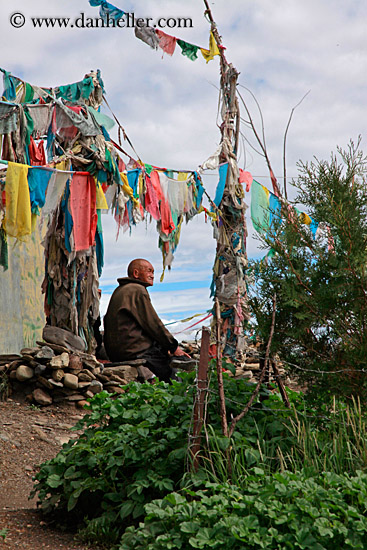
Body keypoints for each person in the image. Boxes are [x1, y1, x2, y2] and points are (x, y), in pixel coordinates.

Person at [103, 258, 190, 382]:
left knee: (162, 352)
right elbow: (153, 324)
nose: (152, 276)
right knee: (173, 369)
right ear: (136, 274)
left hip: (116, 352)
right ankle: (179, 395)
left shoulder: (120, 290)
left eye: (153, 272)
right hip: (134, 350)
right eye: (149, 271)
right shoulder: (137, 290)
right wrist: (173, 346)